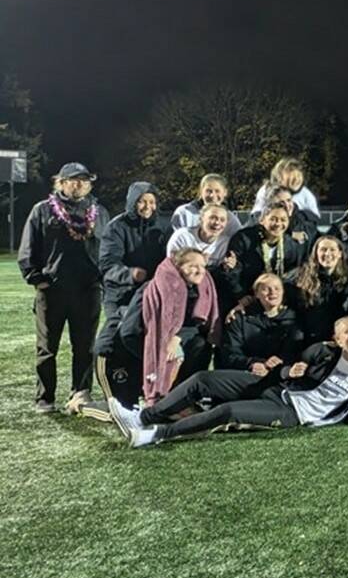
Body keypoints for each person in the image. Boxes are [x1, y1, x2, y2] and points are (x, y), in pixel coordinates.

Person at [109, 317, 348, 447]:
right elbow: (287, 369)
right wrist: (289, 370)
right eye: (346, 332)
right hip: (276, 390)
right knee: (204, 379)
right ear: (335, 339)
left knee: (228, 412)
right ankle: (144, 417)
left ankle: (156, 434)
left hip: (291, 412)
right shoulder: (322, 352)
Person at [18, 162, 110, 413]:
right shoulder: (42, 210)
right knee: (47, 347)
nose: (79, 184)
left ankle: (80, 393)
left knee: (85, 346)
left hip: (88, 290)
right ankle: (45, 398)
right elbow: (27, 249)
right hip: (52, 290)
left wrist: (104, 279)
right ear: (61, 182)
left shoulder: (99, 212)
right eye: (73, 180)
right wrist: (37, 279)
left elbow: (107, 249)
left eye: (83, 180)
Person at [93, 248, 221, 417]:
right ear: (178, 267)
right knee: (120, 411)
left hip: (151, 352)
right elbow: (129, 333)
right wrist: (156, 359)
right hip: (117, 353)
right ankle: (81, 406)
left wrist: (177, 338)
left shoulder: (200, 289)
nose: (199, 271)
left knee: (199, 344)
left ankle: (179, 400)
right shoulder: (154, 290)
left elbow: (196, 324)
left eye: (203, 266)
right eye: (192, 266)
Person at [94, 182, 169, 376]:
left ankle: (146, 383)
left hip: (151, 294)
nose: (147, 206)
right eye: (142, 201)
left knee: (149, 339)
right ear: (132, 202)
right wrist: (130, 274)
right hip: (120, 294)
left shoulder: (161, 227)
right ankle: (116, 381)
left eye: (152, 201)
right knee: (119, 337)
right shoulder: (116, 227)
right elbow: (107, 265)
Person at [218, 273, 305, 375]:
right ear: (257, 294)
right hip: (247, 373)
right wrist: (252, 363)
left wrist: (280, 361)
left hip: (281, 376)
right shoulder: (241, 318)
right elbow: (230, 353)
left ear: (283, 292)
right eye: (266, 289)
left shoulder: (293, 320)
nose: (272, 292)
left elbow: (294, 350)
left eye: (277, 288)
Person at [222, 203, 307, 305]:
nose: (278, 224)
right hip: (247, 297)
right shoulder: (244, 239)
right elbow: (232, 270)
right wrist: (241, 296)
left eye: (283, 220)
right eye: (273, 219)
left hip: (276, 297)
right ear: (262, 220)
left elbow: (293, 272)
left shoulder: (290, 245)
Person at [289, 236, 348, 344]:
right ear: (315, 253)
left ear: (340, 253)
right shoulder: (300, 276)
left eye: (332, 250)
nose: (327, 254)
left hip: (339, 339)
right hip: (308, 338)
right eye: (323, 249)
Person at [170, 173, 242, 236]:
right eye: (208, 191)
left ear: (225, 193)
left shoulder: (230, 219)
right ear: (201, 191)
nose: (212, 195)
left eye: (217, 191)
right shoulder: (184, 213)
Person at [250, 157, 320, 218]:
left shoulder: (305, 194)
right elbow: (256, 215)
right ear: (279, 177)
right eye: (291, 177)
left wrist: (295, 216)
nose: (296, 180)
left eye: (298, 175)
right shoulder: (266, 190)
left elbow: (315, 218)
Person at [167, 203, 233, 266]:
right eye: (212, 218)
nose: (217, 222)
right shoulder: (182, 237)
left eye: (222, 220)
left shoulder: (226, 243)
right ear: (201, 219)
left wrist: (229, 268)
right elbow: (171, 265)